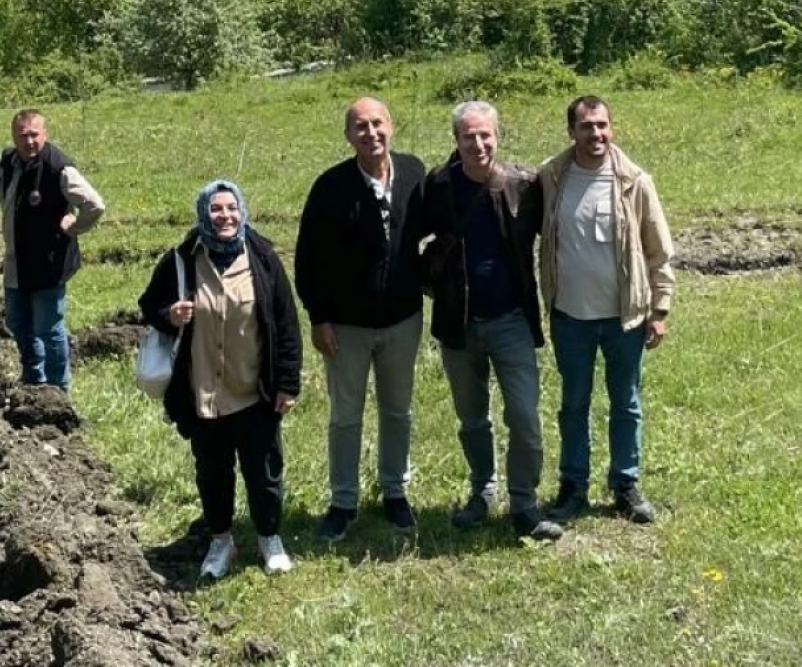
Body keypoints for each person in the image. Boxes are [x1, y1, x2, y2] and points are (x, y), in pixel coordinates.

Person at [139, 180, 303, 579]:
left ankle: (269, 539)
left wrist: (287, 382)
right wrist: (170, 314)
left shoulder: (261, 257)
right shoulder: (181, 259)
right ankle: (221, 541)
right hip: (203, 395)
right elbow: (149, 306)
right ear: (203, 214)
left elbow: (285, 323)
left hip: (253, 392)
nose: (225, 216)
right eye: (216, 209)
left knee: (263, 472)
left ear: (242, 211)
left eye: (231, 208)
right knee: (213, 473)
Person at [420, 101, 563, 542]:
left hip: (511, 320)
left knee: (524, 417)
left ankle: (524, 502)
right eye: (468, 137)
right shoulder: (439, 185)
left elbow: (559, 232)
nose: (477, 144)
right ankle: (482, 491)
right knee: (471, 419)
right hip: (457, 324)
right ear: (455, 141)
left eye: (485, 135)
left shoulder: (523, 184)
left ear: (498, 137)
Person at [539, 97, 676, 525]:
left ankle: (625, 483)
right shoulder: (551, 177)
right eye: (586, 127)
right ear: (571, 131)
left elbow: (659, 250)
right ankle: (573, 485)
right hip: (569, 316)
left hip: (625, 318)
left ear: (611, 128)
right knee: (573, 403)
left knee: (626, 402)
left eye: (602, 126)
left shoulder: (635, 181)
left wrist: (660, 308)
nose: (595, 135)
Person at [296, 97, 428, 540]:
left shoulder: (413, 173)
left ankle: (395, 493)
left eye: (377, 124)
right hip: (346, 326)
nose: (370, 133)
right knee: (345, 415)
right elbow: (308, 259)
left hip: (402, 320)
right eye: (360, 127)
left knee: (398, 409)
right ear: (348, 136)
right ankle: (343, 501)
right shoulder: (330, 187)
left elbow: (433, 229)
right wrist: (319, 318)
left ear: (392, 126)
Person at [0, 110, 105, 391]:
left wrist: (75, 225)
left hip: (49, 262)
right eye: (22, 135)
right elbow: (2, 197)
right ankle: (33, 377)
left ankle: (57, 389)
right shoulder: (4, 164)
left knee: (48, 328)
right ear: (13, 136)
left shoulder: (59, 169)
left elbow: (95, 204)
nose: (29, 141)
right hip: (17, 261)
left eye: (34, 134)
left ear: (45, 134)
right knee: (17, 323)